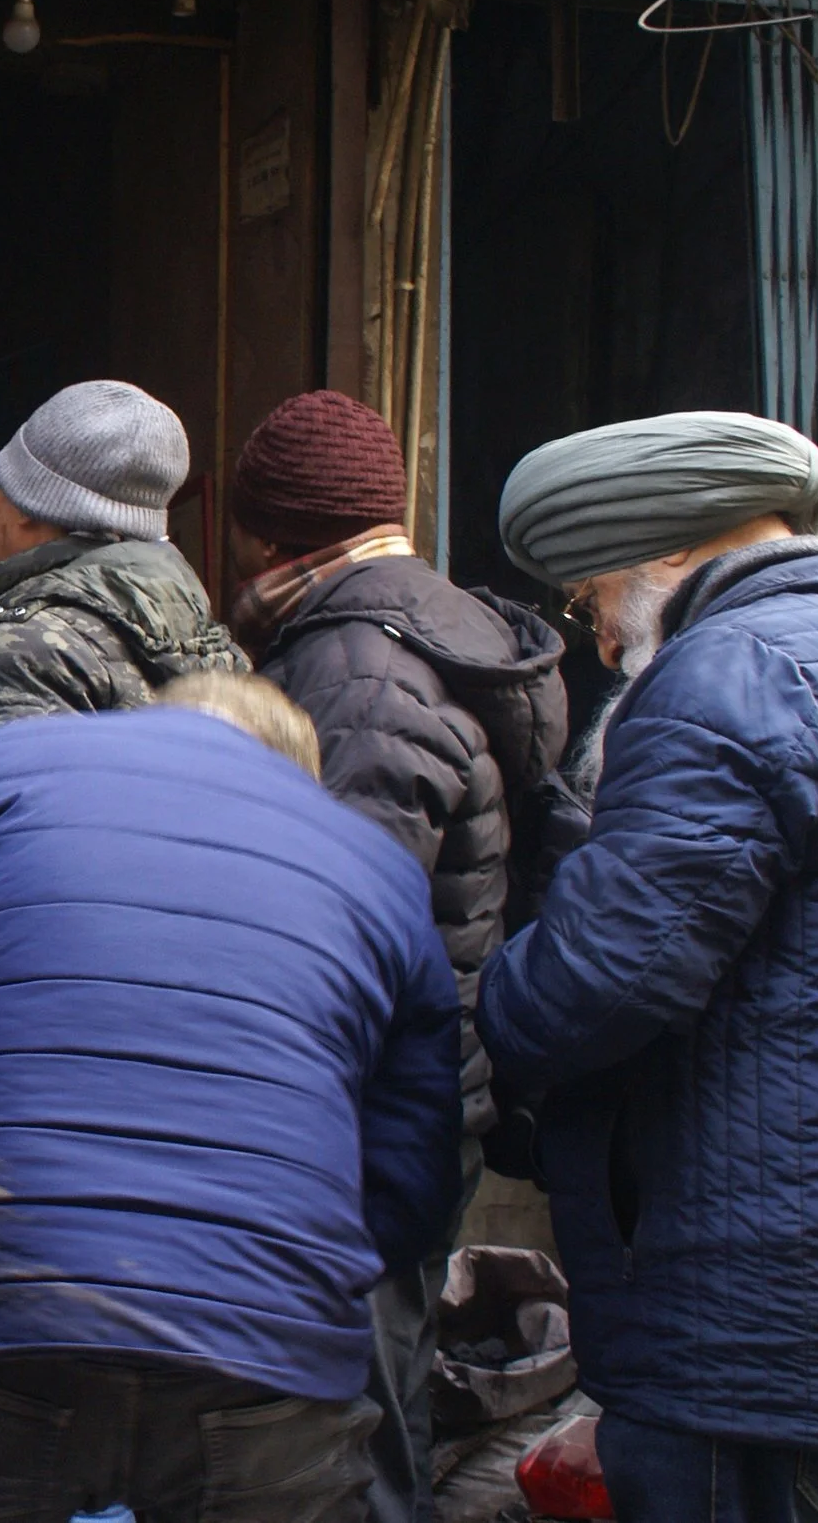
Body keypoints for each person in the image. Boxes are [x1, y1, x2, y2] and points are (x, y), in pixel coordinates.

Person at [0, 679, 461, 1523]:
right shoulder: (374, 870)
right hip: (263, 1352)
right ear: (295, 779)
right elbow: (421, 1155)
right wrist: (308, 1270)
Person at [477, 410, 818, 1521]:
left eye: (590, 599)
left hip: (755, 1328)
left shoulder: (727, 672)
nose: (594, 639)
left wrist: (481, 988)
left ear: (674, 549)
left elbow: (601, 980)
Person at [226, 389, 569, 1523]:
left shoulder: (358, 673)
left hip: (356, 1111)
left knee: (349, 1418)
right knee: (383, 1389)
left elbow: (333, 931)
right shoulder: (422, 629)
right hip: (416, 1094)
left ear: (282, 530)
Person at [0, 380, 244, 780]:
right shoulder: (203, 635)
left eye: (3, 483)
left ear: (25, 508)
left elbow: (8, 835)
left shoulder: (20, 656)